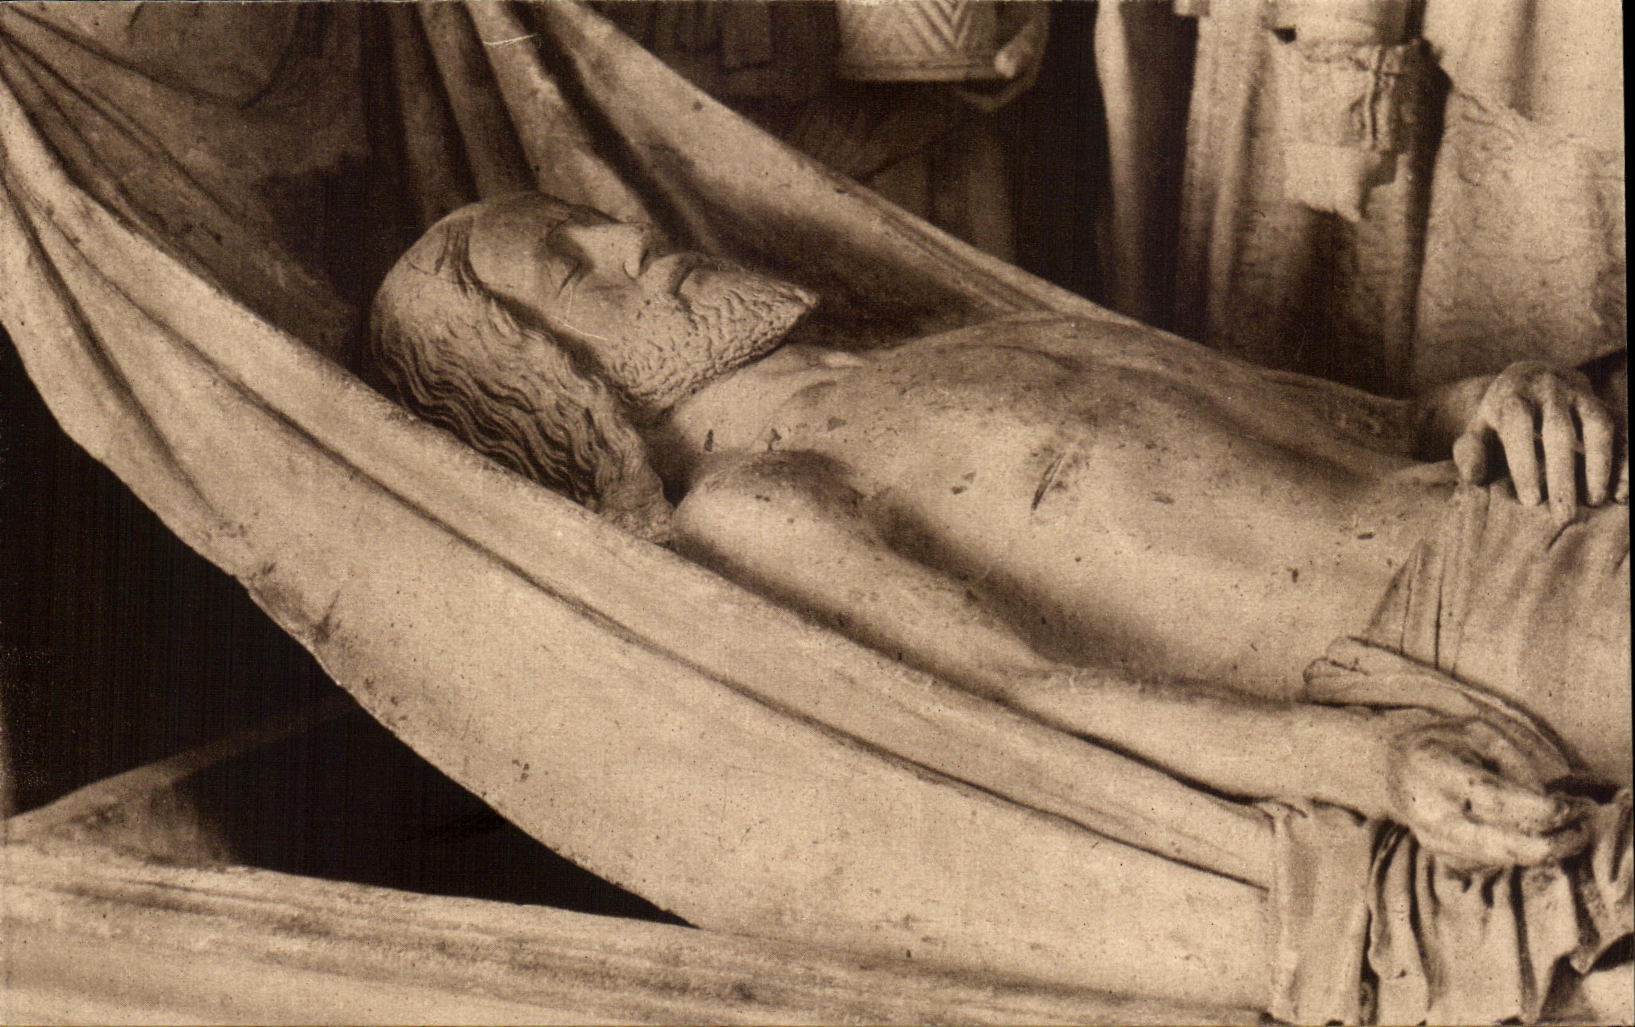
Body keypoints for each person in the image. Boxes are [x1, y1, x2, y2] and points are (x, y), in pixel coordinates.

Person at [369, 191, 1628, 869]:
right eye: (576, 267)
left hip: (1534, 500)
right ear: (546, 383)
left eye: (591, 218)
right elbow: (1025, 703)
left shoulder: (962, 340)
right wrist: (1368, 763)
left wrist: (1504, 393)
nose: (630, 234)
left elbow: (1389, 422)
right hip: (1483, 639)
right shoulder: (750, 508)